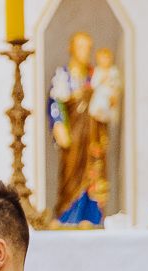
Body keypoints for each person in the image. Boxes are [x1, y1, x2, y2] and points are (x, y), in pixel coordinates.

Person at [48, 32, 110, 226]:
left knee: (93, 174)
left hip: (92, 136)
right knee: (71, 173)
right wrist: (58, 125)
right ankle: (68, 214)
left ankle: (90, 215)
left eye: (88, 48)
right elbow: (55, 103)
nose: (85, 52)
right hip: (73, 136)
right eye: (80, 47)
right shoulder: (63, 76)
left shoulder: (95, 76)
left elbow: (106, 100)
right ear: (71, 49)